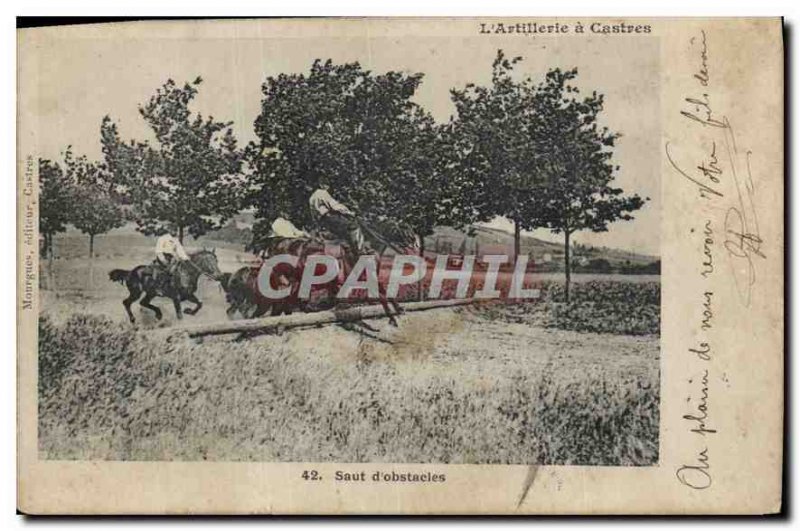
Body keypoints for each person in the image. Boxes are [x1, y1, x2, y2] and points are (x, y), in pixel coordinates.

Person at [309, 187, 365, 263]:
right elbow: (335, 206)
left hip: (322, 221)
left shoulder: (312, 196)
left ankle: (347, 246)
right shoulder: (323, 193)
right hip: (331, 218)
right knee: (354, 226)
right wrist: (350, 213)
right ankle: (358, 251)